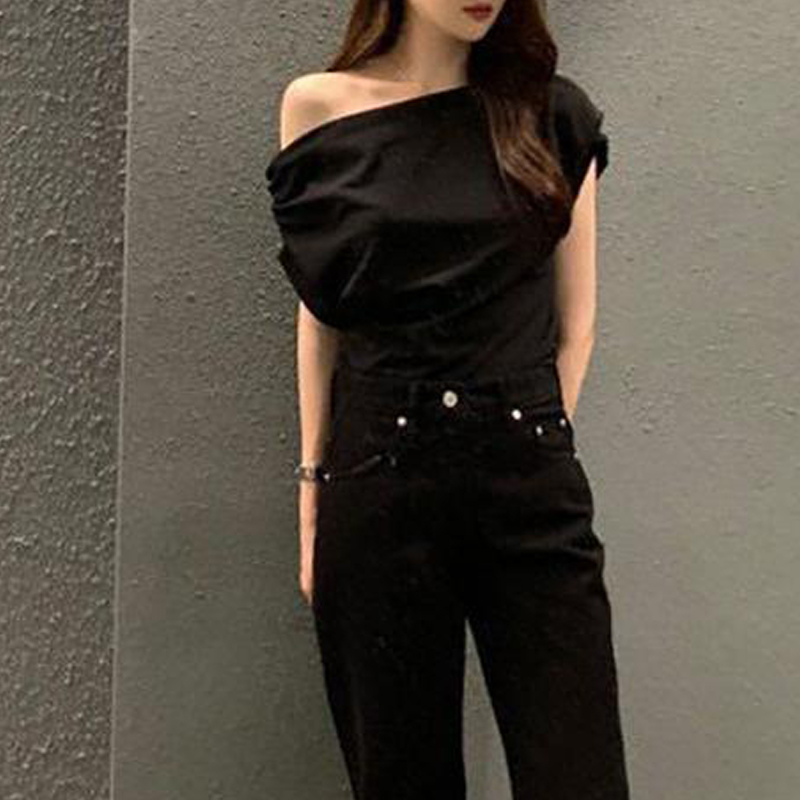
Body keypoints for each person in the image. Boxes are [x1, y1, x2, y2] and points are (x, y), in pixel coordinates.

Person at [265, 1, 630, 798]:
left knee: (580, 776)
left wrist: (530, 442)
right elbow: (323, 313)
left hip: (528, 483)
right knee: (400, 779)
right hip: (378, 478)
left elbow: (577, 324)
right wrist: (312, 491)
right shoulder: (318, 107)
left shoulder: (552, 114)